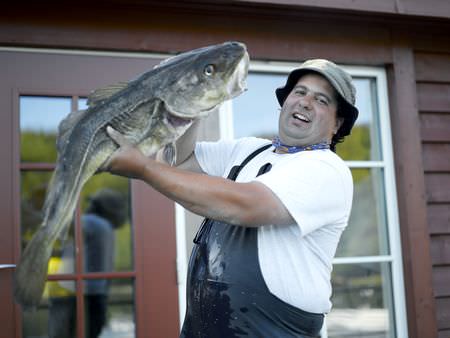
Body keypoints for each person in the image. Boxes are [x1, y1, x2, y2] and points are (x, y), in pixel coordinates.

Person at [106, 59, 359, 337]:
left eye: (321, 100)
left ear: (338, 123)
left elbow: (247, 206)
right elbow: (180, 161)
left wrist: (144, 168)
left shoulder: (326, 169)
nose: (305, 102)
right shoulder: (249, 150)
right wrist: (197, 98)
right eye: (300, 92)